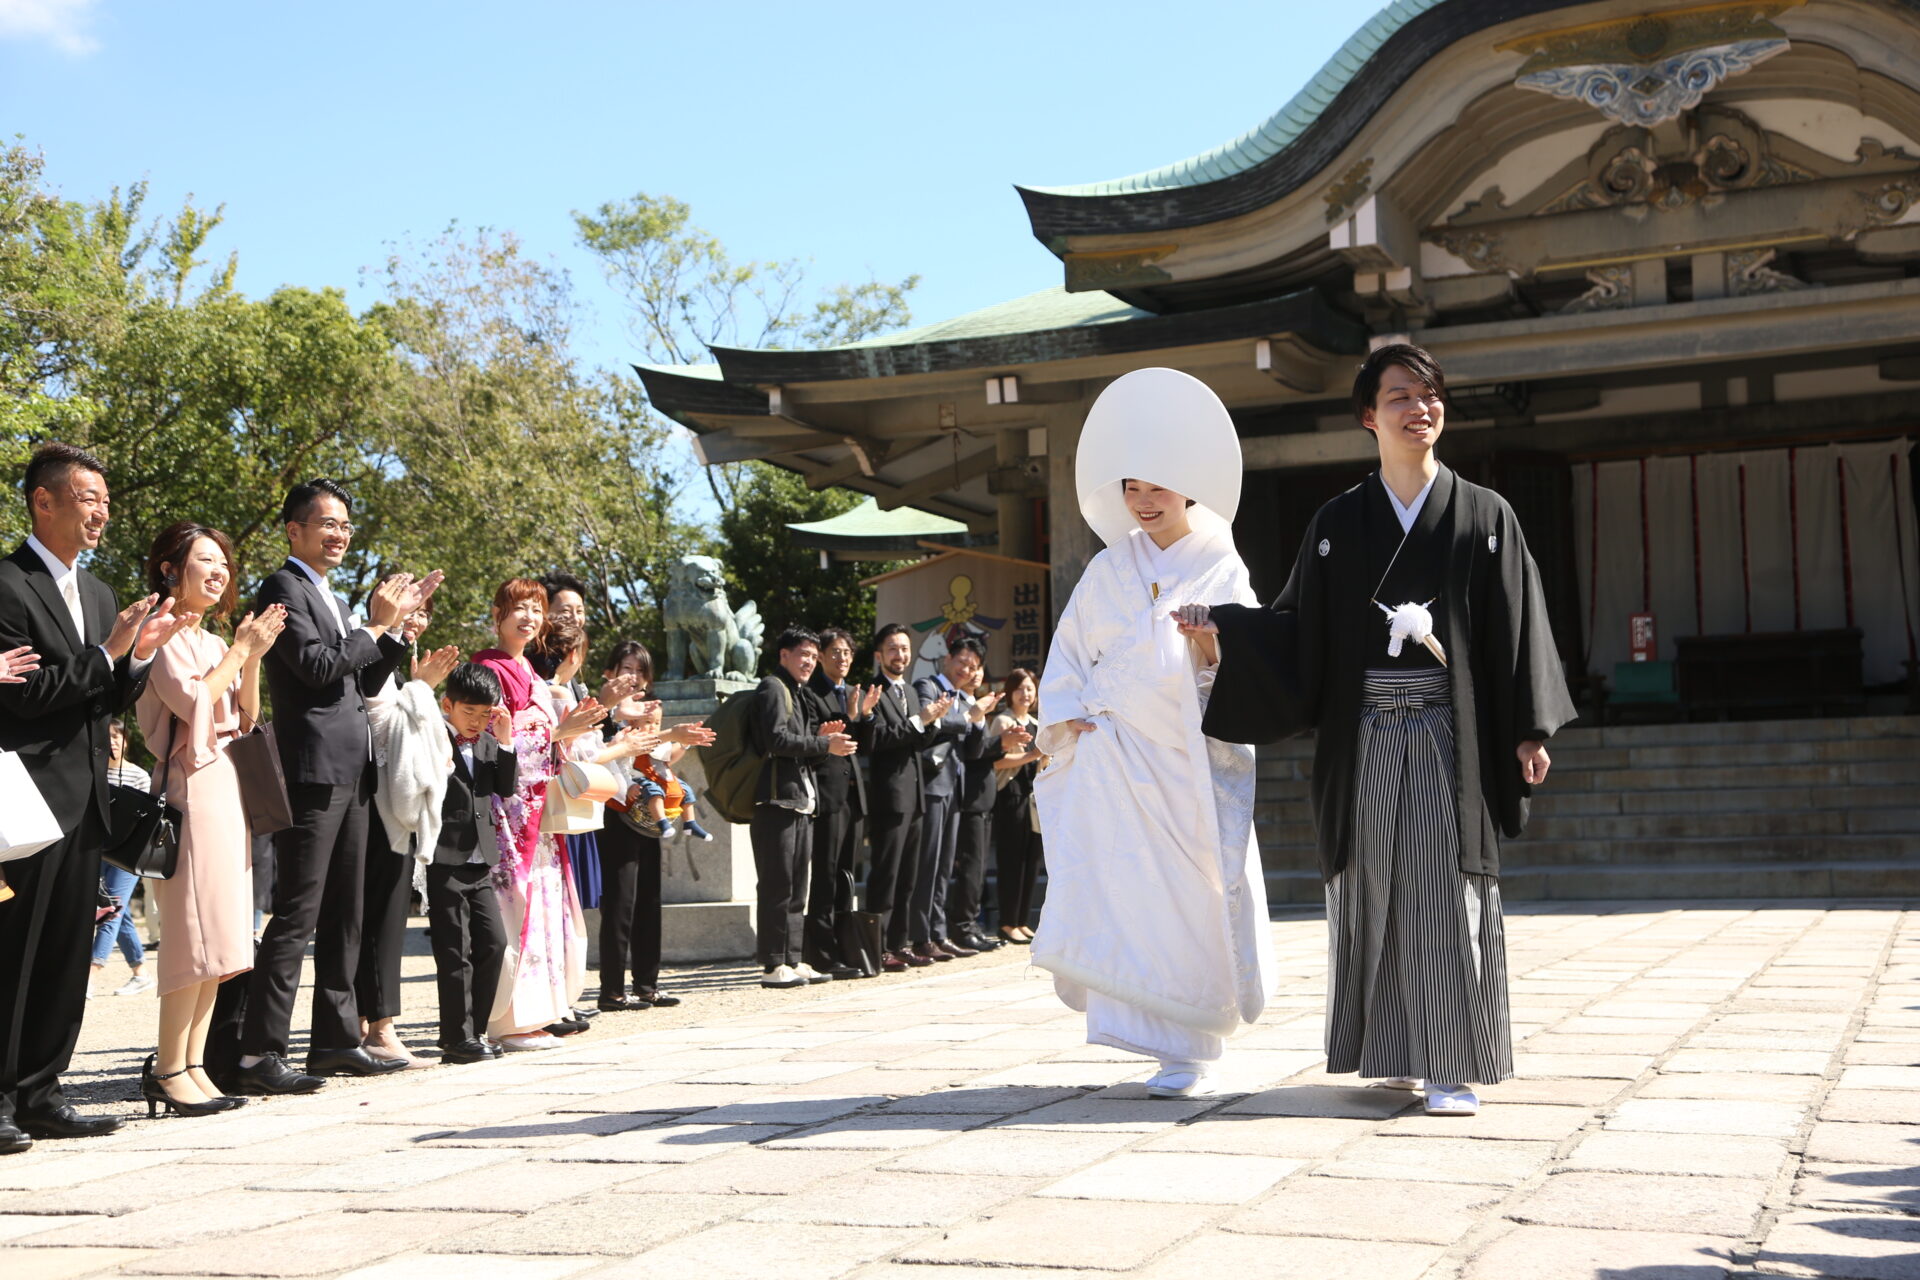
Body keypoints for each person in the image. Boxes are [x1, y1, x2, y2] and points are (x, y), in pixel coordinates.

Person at [1190, 343, 1576, 1117]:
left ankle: (1451, 1064)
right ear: (1370, 417)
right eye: (1399, 396)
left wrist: (1531, 728)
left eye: (1429, 395)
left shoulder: (1484, 516)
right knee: (1373, 889)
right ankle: (1396, 1052)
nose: (1418, 408)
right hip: (1364, 735)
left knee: (1441, 887)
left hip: (1448, 735)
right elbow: (1298, 630)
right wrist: (1225, 630)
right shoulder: (1338, 525)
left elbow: (1519, 625)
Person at [1032, 367, 1275, 1101]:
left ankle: (1193, 1039)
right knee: (1126, 893)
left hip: (1185, 765)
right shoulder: (1109, 566)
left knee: (1191, 896)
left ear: (1190, 485)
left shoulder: (1220, 563)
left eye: (1157, 485)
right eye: (1132, 486)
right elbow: (1071, 654)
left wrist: (1208, 646)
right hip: (1117, 762)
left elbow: (1242, 660)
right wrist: (1065, 712)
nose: (1142, 499)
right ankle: (1147, 1032)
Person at [0, 442, 183, 1151]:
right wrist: (108, 653)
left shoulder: (105, 594)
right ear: (43, 501)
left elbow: (105, 697)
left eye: (106, 500)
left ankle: (44, 1092)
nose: (102, 511)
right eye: (88, 499)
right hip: (24, 803)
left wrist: (134, 659)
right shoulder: (9, 585)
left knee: (67, 952)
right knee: (15, 953)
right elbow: (22, 697)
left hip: (87, 800)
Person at [233, 479, 439, 1095]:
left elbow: (361, 673)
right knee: (297, 910)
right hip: (312, 769)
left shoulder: (329, 592)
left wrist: (397, 631)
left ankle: (335, 1041)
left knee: (348, 910)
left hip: (355, 769)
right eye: (326, 523)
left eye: (346, 525)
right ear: (294, 530)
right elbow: (318, 667)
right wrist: (374, 625)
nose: (339, 534)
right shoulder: (283, 587)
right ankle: (258, 1054)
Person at [135, 522, 287, 1117]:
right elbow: (194, 703)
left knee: (222, 933)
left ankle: (194, 1062)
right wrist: (241, 653)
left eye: (224, 561)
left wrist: (252, 658)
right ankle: (169, 1066)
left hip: (226, 783)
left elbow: (245, 714)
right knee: (191, 933)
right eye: (206, 559)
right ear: (172, 569)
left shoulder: (209, 637)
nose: (220, 570)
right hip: (190, 785)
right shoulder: (163, 635)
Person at [474, 579, 649, 1049]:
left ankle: (540, 1014)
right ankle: (510, 1022)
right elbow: (485, 741)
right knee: (519, 915)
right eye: (517, 609)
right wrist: (555, 735)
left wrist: (569, 735)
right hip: (508, 815)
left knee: (548, 912)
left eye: (535, 608)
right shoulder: (488, 669)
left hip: (536, 817)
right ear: (496, 615)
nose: (528, 617)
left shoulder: (528, 673)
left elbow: (557, 742)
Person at [358, 584, 460, 1068]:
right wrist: (422, 688)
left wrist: (420, 685)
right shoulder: (368, 651)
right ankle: (379, 1030)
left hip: (395, 813)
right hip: (378, 810)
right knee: (380, 921)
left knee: (386, 919)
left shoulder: (403, 672)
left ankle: (371, 1027)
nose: (416, 621)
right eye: (409, 611)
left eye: (423, 613)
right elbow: (384, 729)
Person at [748, 627, 857, 989]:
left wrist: (820, 737)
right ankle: (772, 964)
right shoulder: (772, 688)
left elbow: (804, 740)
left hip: (799, 800)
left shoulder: (796, 692)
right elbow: (776, 739)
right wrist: (823, 742)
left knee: (797, 887)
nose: (809, 662)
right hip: (776, 800)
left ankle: (792, 958)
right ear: (784, 656)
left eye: (813, 656)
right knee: (777, 885)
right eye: (803, 655)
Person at [425, 662, 517, 1064]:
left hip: (481, 859)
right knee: (454, 950)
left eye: (485, 714)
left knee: (494, 943)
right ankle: (456, 1039)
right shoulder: (434, 737)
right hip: (444, 857)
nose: (477, 721)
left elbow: (505, 787)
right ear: (448, 704)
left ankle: (475, 1031)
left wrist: (505, 739)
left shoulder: (485, 741)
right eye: (469, 713)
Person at [847, 623, 950, 972]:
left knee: (908, 876)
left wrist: (932, 721)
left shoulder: (908, 689)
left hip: (915, 794)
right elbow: (877, 740)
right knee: (886, 874)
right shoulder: (872, 693)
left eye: (905, 648)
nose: (900, 655)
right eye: (893, 649)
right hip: (889, 796)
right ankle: (877, 948)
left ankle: (899, 943)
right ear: (879, 655)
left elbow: (916, 740)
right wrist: (920, 720)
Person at [909, 637, 998, 962]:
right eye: (962, 661)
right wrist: (968, 715)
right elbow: (928, 718)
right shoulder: (929, 686)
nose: (966, 669)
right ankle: (920, 936)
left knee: (945, 865)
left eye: (973, 666)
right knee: (928, 863)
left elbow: (973, 751)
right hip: (932, 785)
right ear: (947, 659)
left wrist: (978, 718)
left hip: (954, 788)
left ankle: (938, 932)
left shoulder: (964, 698)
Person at [801, 627, 871, 978]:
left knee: (846, 874)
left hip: (852, 796)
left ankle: (846, 945)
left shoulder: (852, 693)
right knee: (825, 875)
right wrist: (852, 717)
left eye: (847, 653)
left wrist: (864, 716)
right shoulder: (813, 692)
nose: (842, 658)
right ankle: (821, 952)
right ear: (822, 656)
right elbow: (821, 738)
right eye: (835, 652)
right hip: (827, 794)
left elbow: (861, 745)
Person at [947, 658, 1018, 955]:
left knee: (977, 867)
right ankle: (962, 926)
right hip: (967, 795)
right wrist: (1001, 743)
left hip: (984, 795)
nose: (974, 675)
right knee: (970, 865)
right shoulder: (958, 706)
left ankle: (972, 924)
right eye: (968, 668)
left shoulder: (978, 706)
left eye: (979, 670)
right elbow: (969, 752)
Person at [92, 719, 154, 999]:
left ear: (126, 742)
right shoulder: (93, 774)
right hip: (99, 850)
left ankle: (91, 973)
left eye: (117, 736)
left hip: (129, 854)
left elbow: (146, 819)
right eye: (108, 737)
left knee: (112, 909)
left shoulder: (140, 776)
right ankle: (140, 972)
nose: (113, 741)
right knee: (120, 910)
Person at [988, 668, 1046, 945]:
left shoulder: (1036, 723)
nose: (1026, 694)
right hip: (1009, 794)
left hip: (1033, 796)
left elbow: (1040, 761)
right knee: (1011, 861)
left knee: (1031, 860)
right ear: (1010, 692)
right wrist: (1031, 756)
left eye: (1030, 689)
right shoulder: (1003, 721)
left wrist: (1043, 759)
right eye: (1020, 688)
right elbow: (996, 762)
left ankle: (1022, 921)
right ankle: (1007, 922)